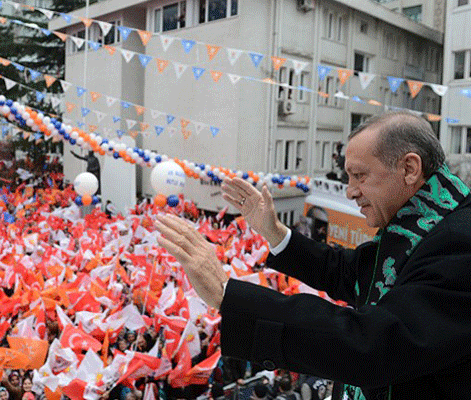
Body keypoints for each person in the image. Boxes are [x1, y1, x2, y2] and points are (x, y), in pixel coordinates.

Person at [154, 112, 471, 399]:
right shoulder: (420, 226)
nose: (350, 191)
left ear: (409, 168)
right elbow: (350, 272)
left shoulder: (460, 240)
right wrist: (275, 233)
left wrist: (229, 295)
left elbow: (377, 344)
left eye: (360, 175)